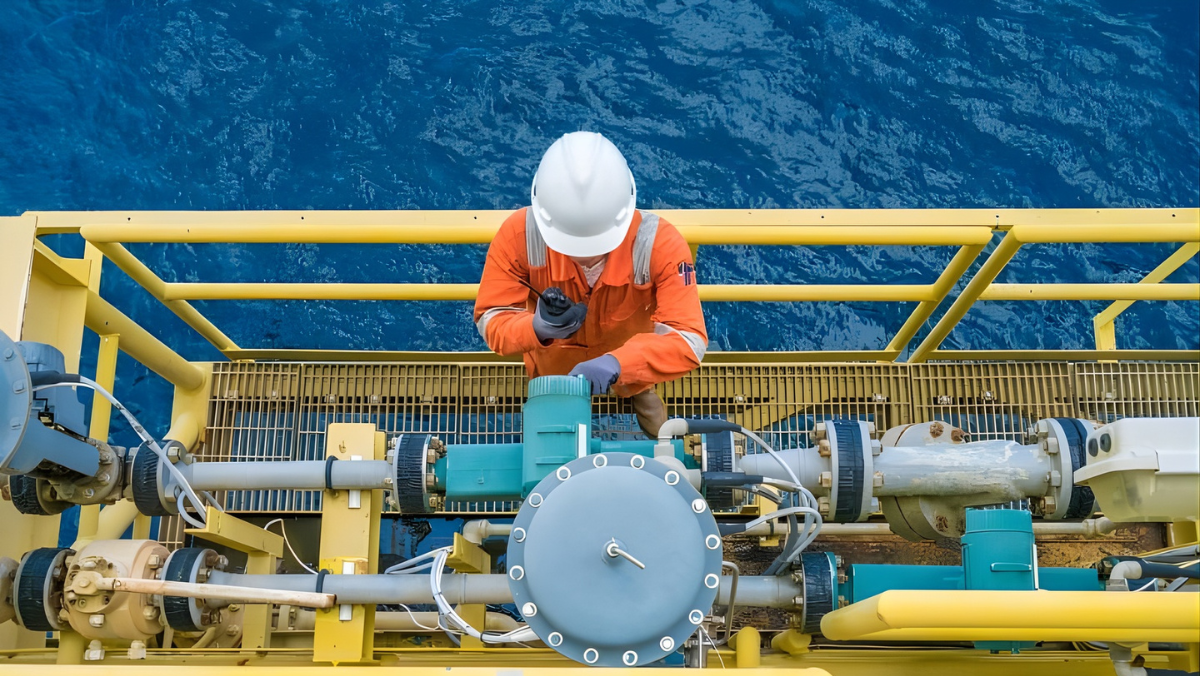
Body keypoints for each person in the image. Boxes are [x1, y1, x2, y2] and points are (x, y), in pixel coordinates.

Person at [473, 131, 707, 437]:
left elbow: (689, 340)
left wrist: (618, 363)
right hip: (555, 371)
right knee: (554, 439)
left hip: (631, 370)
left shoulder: (659, 245)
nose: (584, 258)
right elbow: (492, 319)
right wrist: (536, 327)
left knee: (651, 412)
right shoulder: (518, 236)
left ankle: (658, 434)